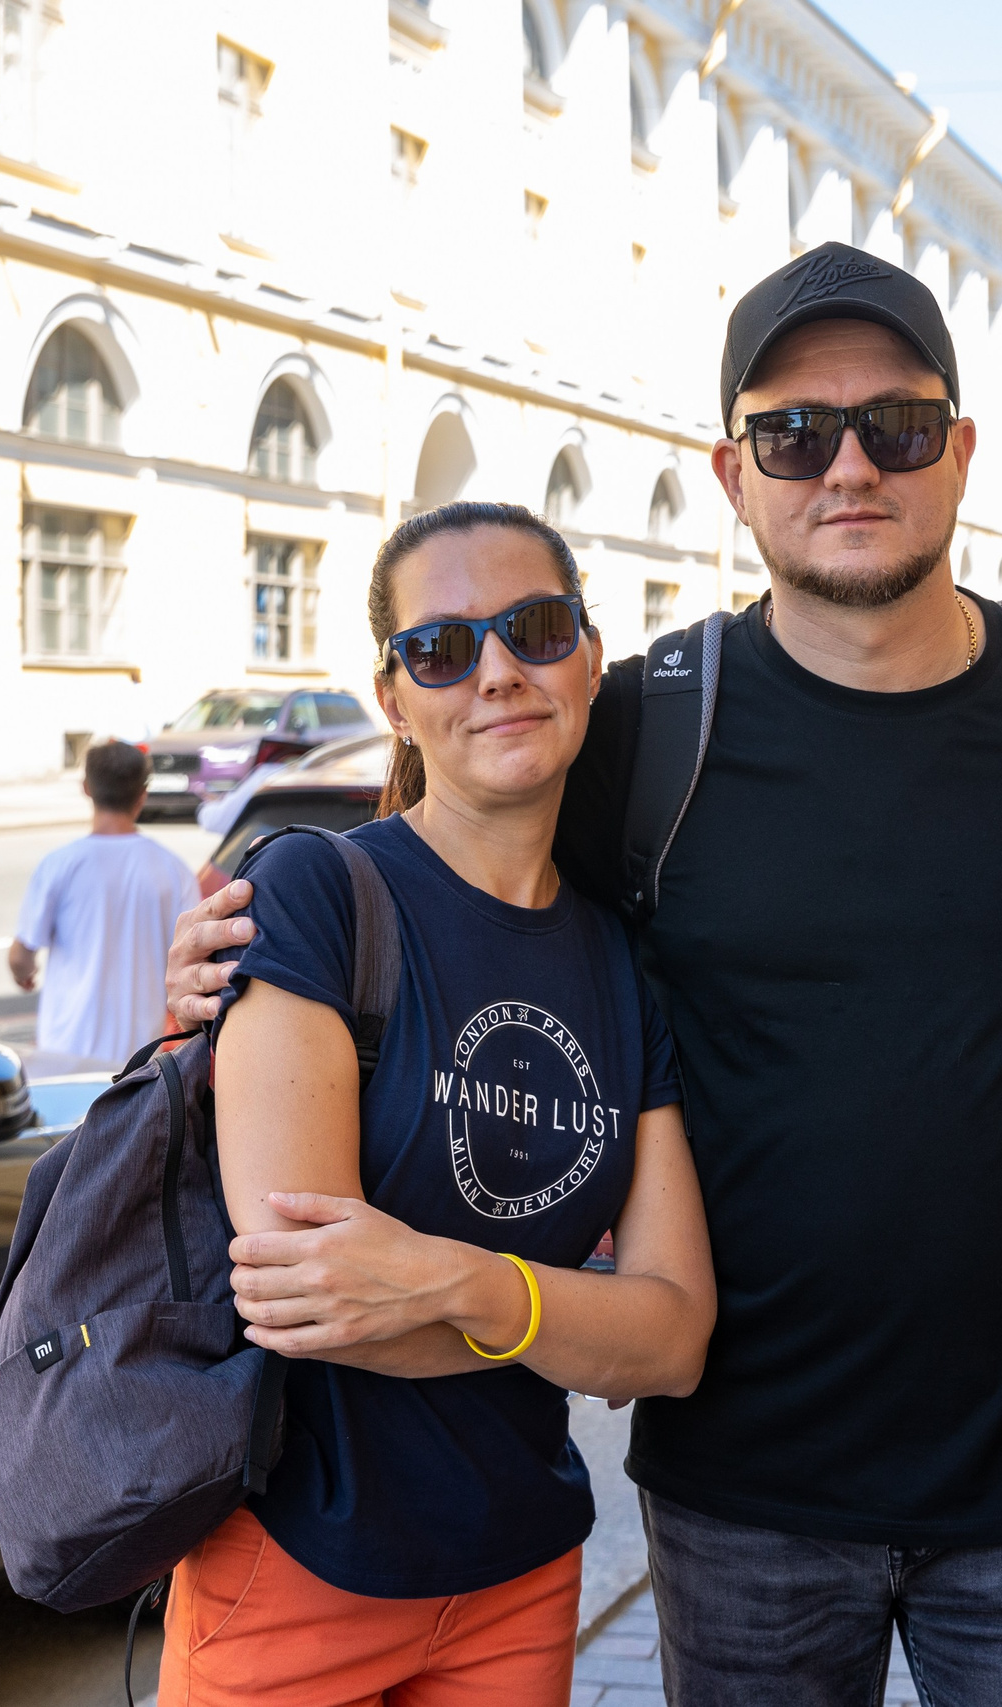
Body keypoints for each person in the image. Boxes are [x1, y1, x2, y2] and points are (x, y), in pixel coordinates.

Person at [164, 246, 1002, 1704]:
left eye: (893, 426)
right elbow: (449, 861)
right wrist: (232, 960)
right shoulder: (647, 727)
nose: (846, 466)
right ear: (732, 471)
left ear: (957, 455)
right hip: (743, 1498)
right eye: (794, 432)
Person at [165, 501, 717, 1703]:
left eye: (533, 627)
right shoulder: (319, 894)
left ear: (589, 659)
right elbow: (313, 1300)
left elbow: (673, 1338)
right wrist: (565, 1320)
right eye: (443, 648)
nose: (499, 672)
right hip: (299, 1566)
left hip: (519, 1573)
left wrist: (446, 1280)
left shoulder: (623, 963)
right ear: (394, 697)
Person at [6, 739, 199, 1070]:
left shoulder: (59, 864)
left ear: (86, 788)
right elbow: (190, 956)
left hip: (62, 1050)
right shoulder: (174, 870)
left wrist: (24, 974)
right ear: (143, 794)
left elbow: (21, 955)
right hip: (138, 1058)